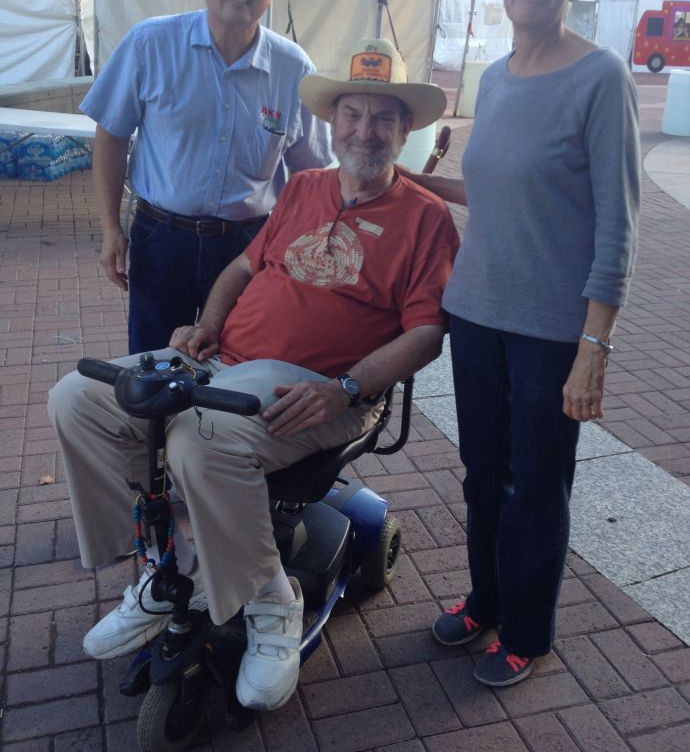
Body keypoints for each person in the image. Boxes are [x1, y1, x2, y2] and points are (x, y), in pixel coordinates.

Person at [48, 38, 457, 711]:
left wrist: (347, 388)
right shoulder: (304, 187)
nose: (365, 131)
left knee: (196, 438)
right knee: (79, 400)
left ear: (405, 130)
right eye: (352, 114)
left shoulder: (427, 218)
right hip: (220, 361)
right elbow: (242, 268)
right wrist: (208, 322)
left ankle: (271, 602)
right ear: (332, 123)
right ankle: (160, 564)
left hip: (322, 390)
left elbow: (428, 331)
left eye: (383, 118)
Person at [408, 0, 641, 688]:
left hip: (550, 330)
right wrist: (417, 182)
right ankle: (485, 598)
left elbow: (616, 223)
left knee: (538, 483)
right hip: (475, 314)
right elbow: (509, 191)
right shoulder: (495, 77)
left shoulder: (600, 78)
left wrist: (594, 349)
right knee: (483, 473)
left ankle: (528, 630)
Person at [81, 0, 333, 354]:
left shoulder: (294, 69)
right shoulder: (151, 44)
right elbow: (111, 134)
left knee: (238, 363)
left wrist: (293, 248)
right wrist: (109, 228)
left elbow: (311, 173)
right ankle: (155, 425)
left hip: (250, 243)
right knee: (153, 364)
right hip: (161, 239)